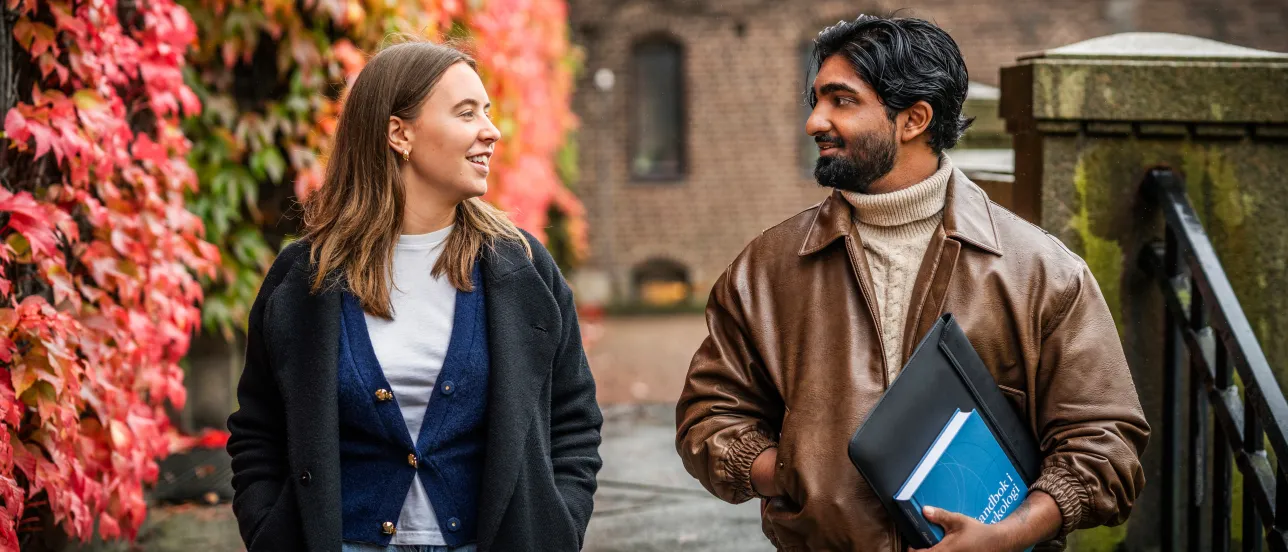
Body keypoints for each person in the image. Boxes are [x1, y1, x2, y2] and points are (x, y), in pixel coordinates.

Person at [675, 15, 1149, 552]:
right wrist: (790, 475)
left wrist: (1006, 535)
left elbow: (1106, 449)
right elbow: (709, 416)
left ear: (913, 119)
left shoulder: (1043, 272)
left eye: (841, 100)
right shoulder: (766, 268)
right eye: (815, 100)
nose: (814, 121)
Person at [226, 39, 603, 552]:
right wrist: (270, 530)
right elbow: (258, 431)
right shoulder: (305, 278)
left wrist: (558, 527)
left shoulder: (522, 270)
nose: (490, 131)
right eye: (466, 113)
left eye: (487, 112)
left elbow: (574, 418)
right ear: (399, 133)